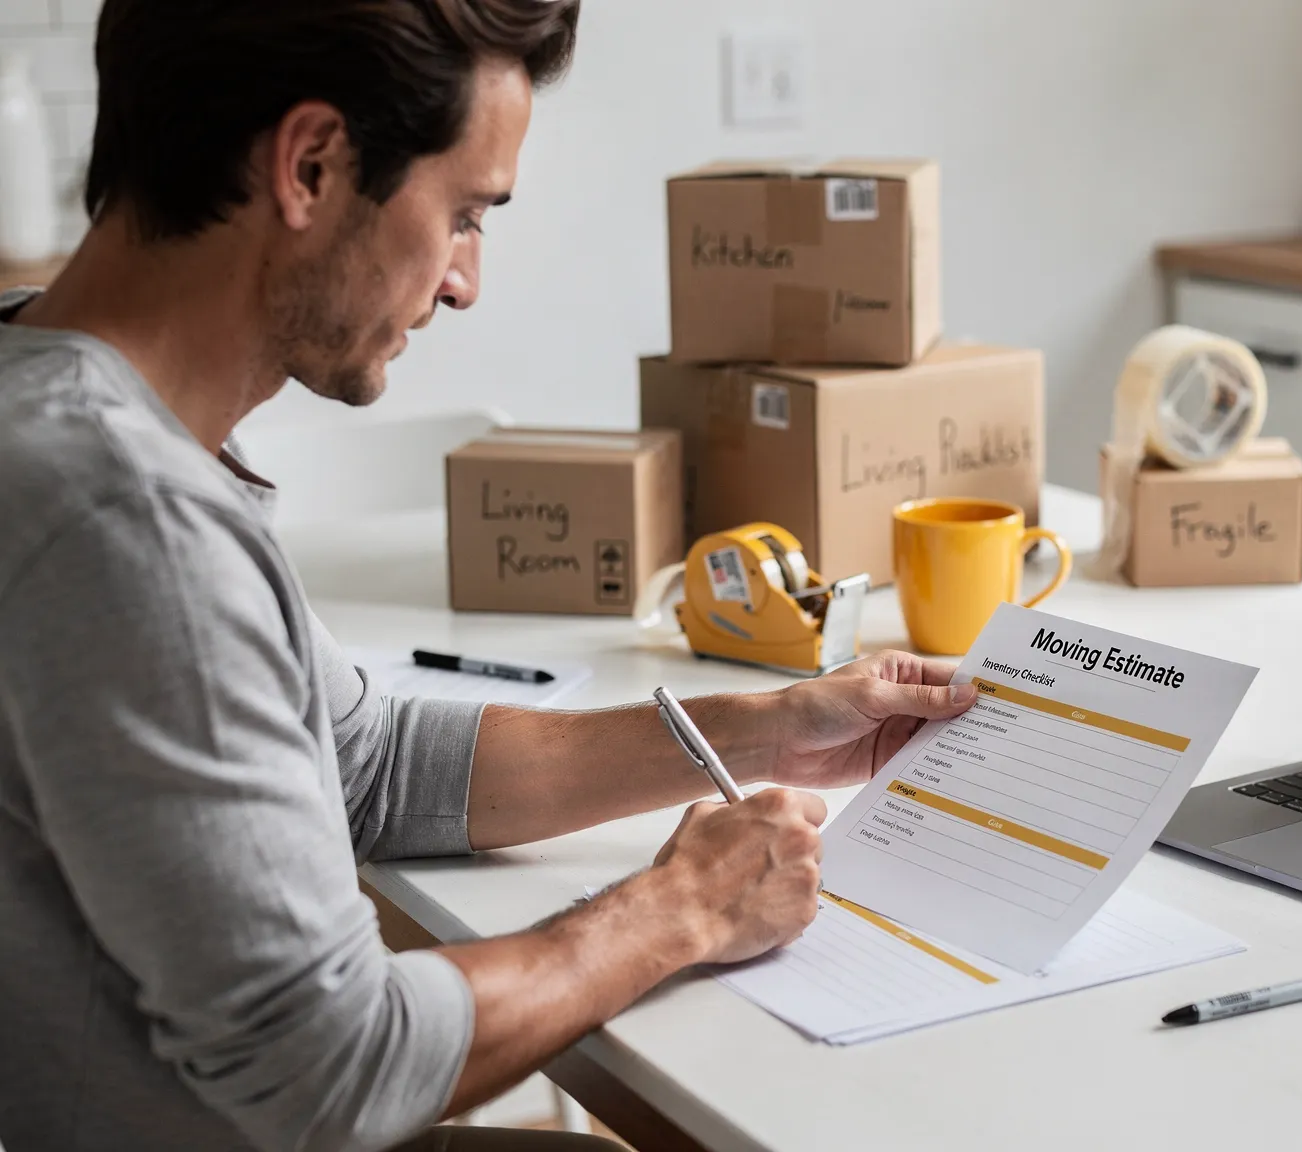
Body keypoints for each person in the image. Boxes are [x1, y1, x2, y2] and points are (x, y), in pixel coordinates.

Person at [0, 3, 975, 1150]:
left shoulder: (59, 399)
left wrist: (767, 727)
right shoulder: (128, 515)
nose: (464, 282)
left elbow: (359, 763)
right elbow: (334, 1068)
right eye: (463, 214)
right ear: (310, 164)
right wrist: (680, 910)